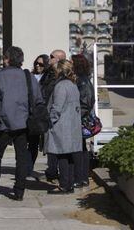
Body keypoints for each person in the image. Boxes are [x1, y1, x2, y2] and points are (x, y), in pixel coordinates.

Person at [0, 46, 43, 201]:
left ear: (7, 59)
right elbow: (37, 99)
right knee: (21, 157)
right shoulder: (28, 76)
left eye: (4, 57)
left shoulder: (0, 77)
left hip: (3, 123)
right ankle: (19, 191)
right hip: (23, 124)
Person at [44, 60, 82, 194]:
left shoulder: (61, 86)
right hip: (71, 125)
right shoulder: (73, 84)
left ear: (60, 70)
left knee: (62, 156)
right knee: (69, 156)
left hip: (61, 126)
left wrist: (49, 122)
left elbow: (56, 108)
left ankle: (65, 185)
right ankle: (69, 184)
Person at [39, 49, 67, 181]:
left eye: (52, 57)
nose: (49, 59)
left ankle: (55, 172)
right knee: (49, 145)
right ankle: (51, 170)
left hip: (55, 115)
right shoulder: (49, 73)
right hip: (46, 112)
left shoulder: (61, 76)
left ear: (59, 59)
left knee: (55, 145)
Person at [71, 54, 95, 188]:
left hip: (80, 118)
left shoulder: (82, 81)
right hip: (80, 117)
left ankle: (80, 177)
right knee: (81, 148)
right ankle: (82, 177)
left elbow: (85, 103)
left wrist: (76, 117)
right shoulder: (82, 79)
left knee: (79, 149)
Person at [26, 54, 49, 179]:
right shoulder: (29, 76)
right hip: (29, 113)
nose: (37, 66)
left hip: (40, 113)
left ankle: (29, 168)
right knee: (29, 142)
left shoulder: (48, 78)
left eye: (40, 64)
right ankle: (26, 167)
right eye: (36, 63)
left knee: (38, 143)